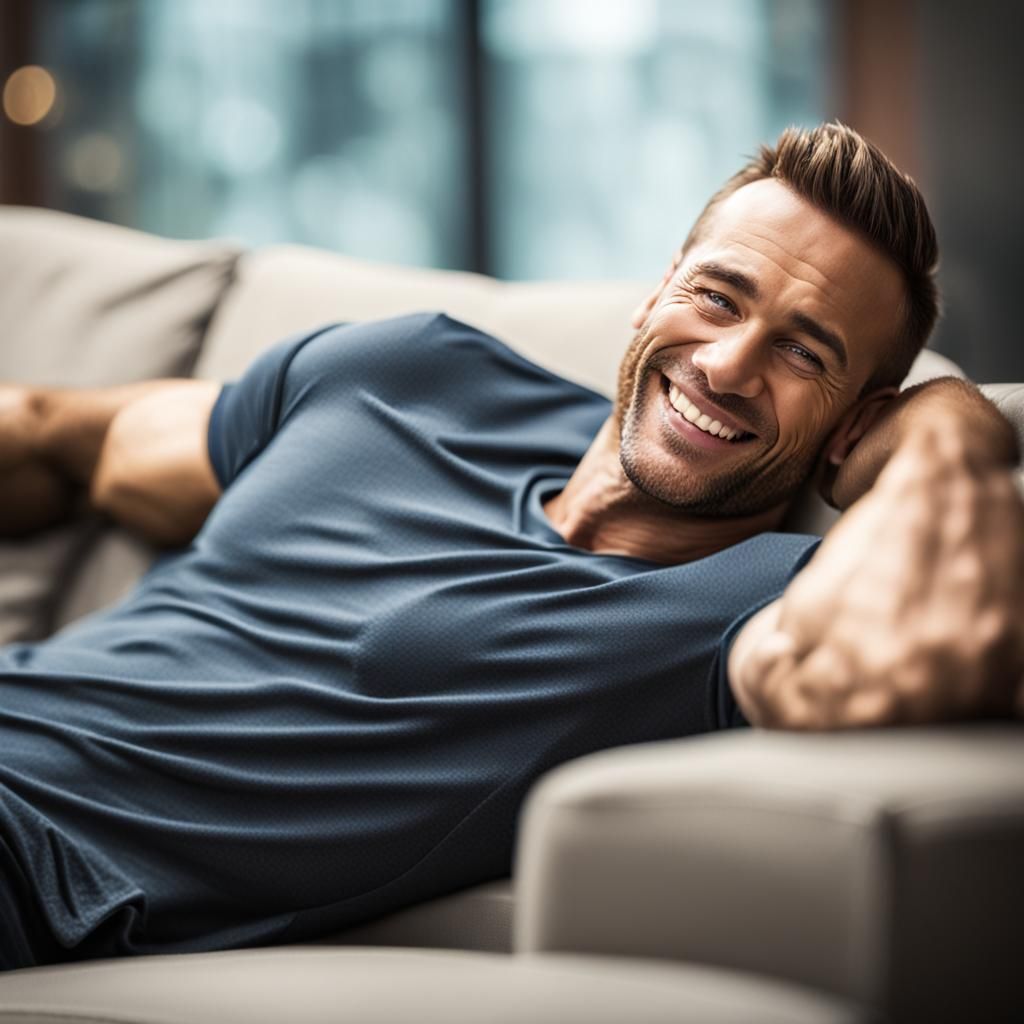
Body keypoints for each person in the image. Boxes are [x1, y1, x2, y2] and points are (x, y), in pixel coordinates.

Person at [0, 123, 1021, 969]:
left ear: (855, 420)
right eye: (717, 296)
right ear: (658, 287)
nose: (726, 363)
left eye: (805, 351)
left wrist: (949, 425)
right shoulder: (408, 369)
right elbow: (59, 437)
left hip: (42, 861)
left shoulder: (739, 603)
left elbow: (919, 642)